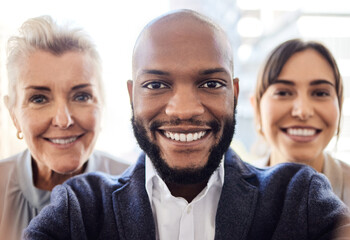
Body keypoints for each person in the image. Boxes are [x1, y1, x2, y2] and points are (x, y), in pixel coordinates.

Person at [24, 10, 350, 240]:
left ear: (234, 94)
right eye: (156, 85)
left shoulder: (298, 195)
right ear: (131, 95)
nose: (184, 109)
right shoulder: (80, 206)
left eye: (210, 84)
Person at [0, 16, 129, 239]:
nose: (63, 120)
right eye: (39, 99)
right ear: (13, 113)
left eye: (81, 96)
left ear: (102, 104)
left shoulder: (139, 187)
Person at [250, 39, 350, 207]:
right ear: (257, 108)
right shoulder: (227, 194)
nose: (303, 111)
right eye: (283, 92)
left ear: (339, 106)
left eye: (320, 93)